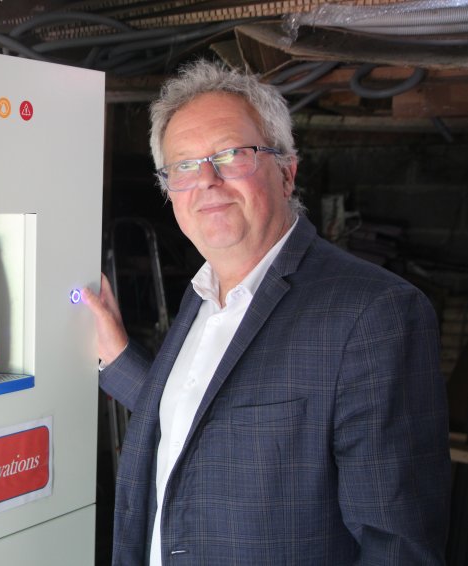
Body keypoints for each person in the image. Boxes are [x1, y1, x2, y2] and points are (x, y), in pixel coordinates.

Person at [82, 59, 451, 565]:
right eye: (183, 166)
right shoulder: (202, 293)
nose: (206, 181)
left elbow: (398, 548)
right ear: (170, 193)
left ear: (286, 171)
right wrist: (117, 355)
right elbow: (209, 422)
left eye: (231, 154)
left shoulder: (374, 314)